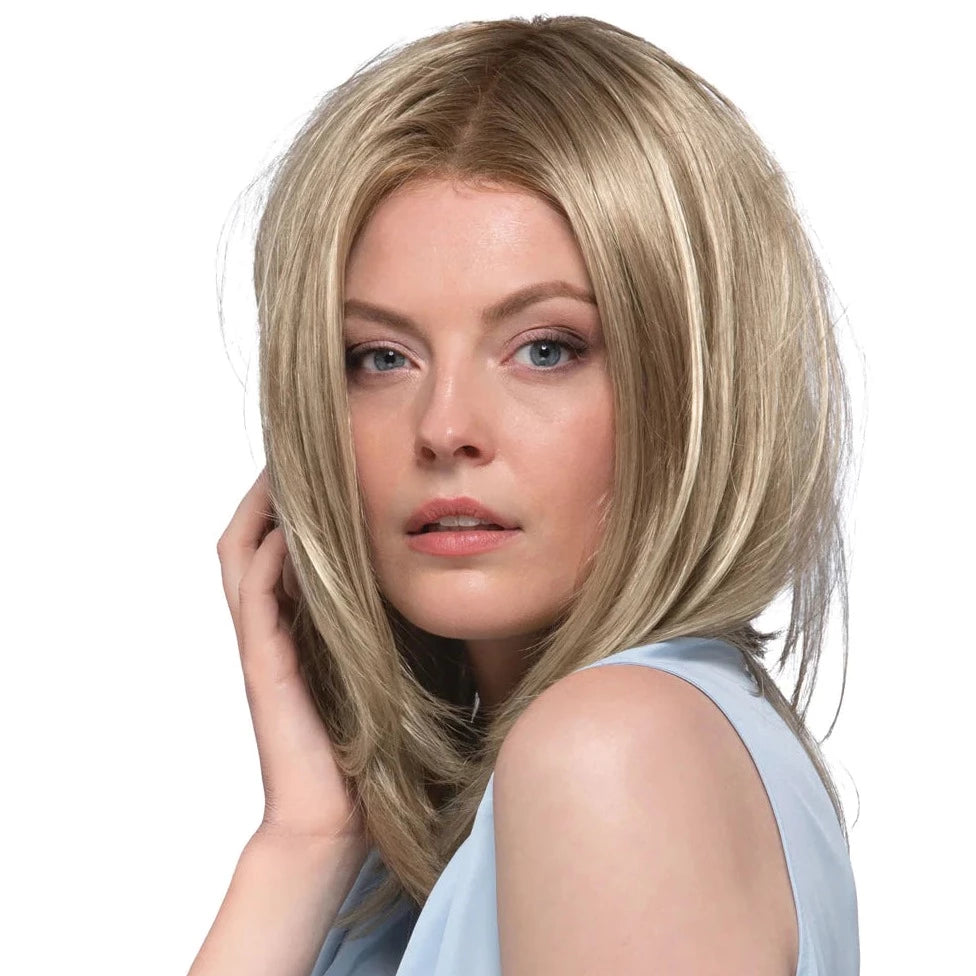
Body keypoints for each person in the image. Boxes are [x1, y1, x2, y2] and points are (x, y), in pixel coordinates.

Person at [189, 14, 859, 976]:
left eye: (546, 349)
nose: (443, 427)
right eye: (380, 357)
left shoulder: (613, 750)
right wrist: (303, 838)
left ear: (693, 387)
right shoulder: (463, 828)